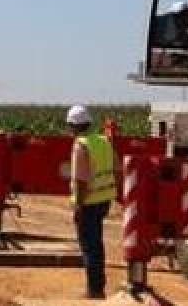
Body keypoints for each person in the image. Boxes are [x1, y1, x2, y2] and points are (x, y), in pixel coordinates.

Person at [67, 105, 116, 300]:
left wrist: (78, 205)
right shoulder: (104, 141)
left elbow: (80, 180)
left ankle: (94, 290)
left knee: (89, 246)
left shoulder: (81, 145)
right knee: (97, 243)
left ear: (74, 126)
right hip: (103, 200)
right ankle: (98, 286)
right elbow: (116, 165)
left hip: (88, 203)